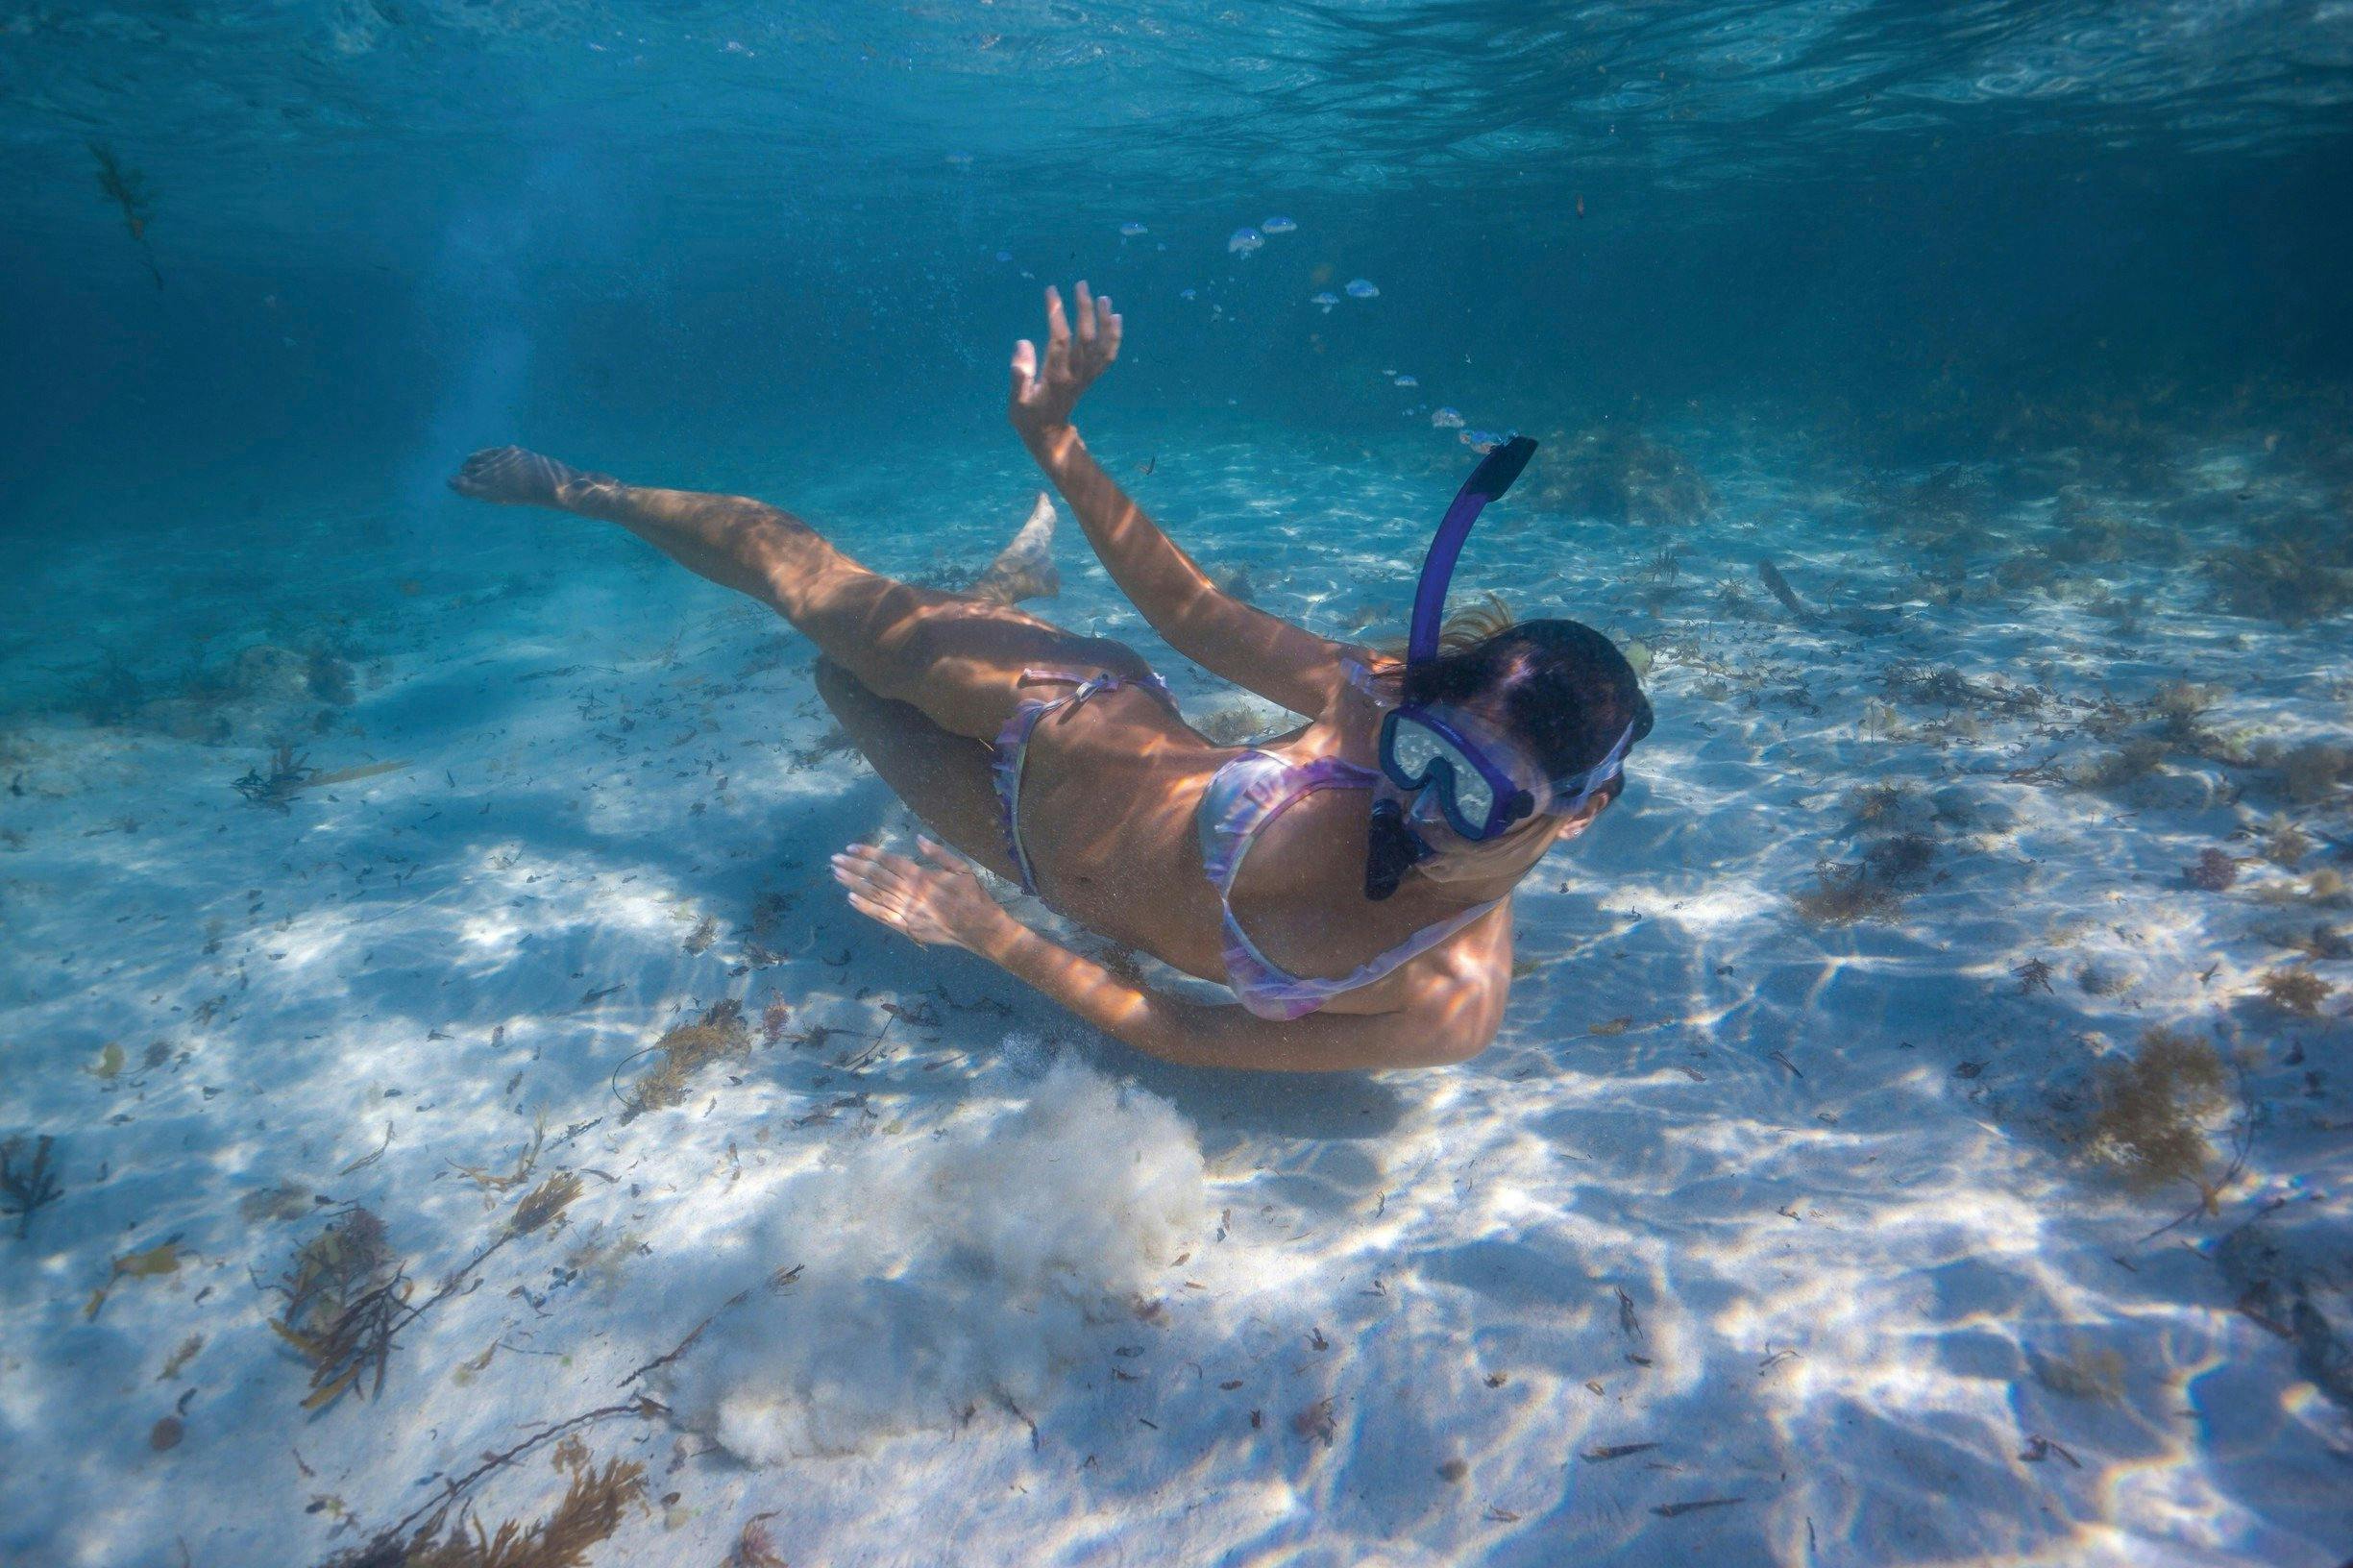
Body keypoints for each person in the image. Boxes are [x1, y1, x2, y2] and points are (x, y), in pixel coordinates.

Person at [450, 282, 1652, 1072]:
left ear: (1579, 810)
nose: (1423, 808)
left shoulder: (1444, 1004)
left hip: (1014, 848)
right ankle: (583, 491)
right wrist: (1060, 446)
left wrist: (991, 935)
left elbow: (1181, 1031)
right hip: (1065, 711)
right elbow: (1195, 614)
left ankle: (1001, 588)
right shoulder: (1383, 698)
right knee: (808, 588)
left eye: (1480, 796)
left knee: (838, 684)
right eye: (1422, 760)